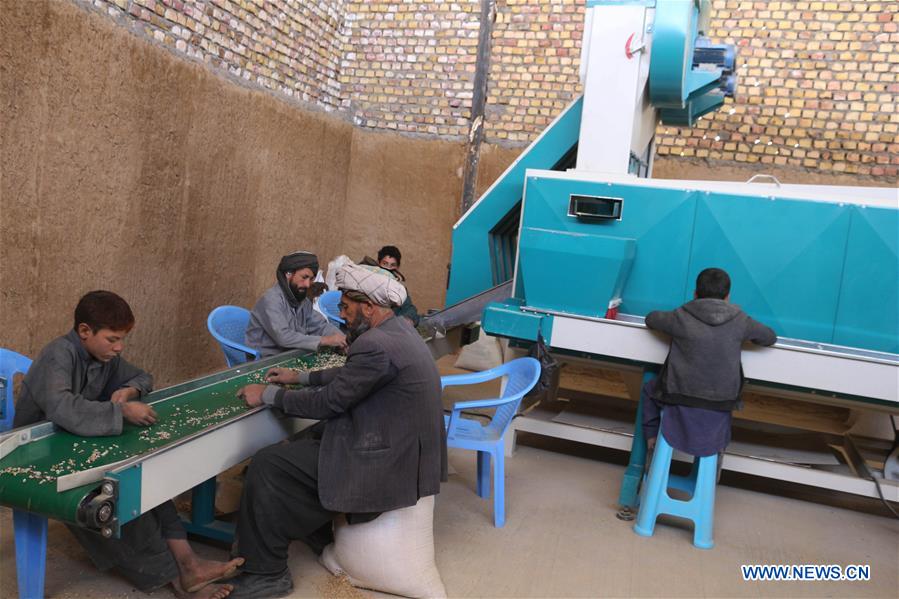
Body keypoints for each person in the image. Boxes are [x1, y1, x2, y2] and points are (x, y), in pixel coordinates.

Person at [229, 264, 447, 598]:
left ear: (369, 308)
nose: (341, 315)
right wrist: (299, 378)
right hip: (402, 453)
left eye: (345, 307)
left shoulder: (375, 344)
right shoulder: (397, 333)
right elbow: (352, 376)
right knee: (312, 442)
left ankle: (266, 572)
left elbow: (329, 403)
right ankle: (314, 532)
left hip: (387, 465)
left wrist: (269, 395)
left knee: (269, 464)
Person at [14, 290, 241, 598]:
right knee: (118, 498)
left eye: (122, 340)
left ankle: (189, 561)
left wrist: (130, 391)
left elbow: (142, 376)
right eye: (112, 339)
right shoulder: (59, 354)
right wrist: (120, 411)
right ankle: (174, 576)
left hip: (76, 440)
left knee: (148, 477)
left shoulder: (104, 356)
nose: (119, 347)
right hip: (39, 454)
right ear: (84, 331)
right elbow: (62, 408)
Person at [641, 268, 777, 462]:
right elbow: (769, 337)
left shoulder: (680, 316)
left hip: (678, 396)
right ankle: (718, 449)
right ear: (727, 296)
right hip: (722, 401)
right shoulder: (741, 321)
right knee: (723, 407)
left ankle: (652, 441)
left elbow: (651, 319)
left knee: (649, 389)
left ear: (695, 294)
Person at [245, 251, 347, 357]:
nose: (307, 284)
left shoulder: (302, 301)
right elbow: (283, 337)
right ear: (288, 274)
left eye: (311, 279)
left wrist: (341, 339)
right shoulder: (271, 301)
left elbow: (320, 326)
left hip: (290, 355)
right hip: (265, 360)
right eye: (304, 277)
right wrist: (325, 340)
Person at [359, 245, 420, 326]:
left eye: (392, 265)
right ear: (378, 263)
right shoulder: (368, 281)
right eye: (385, 263)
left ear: (397, 267)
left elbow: (409, 308)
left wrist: (408, 319)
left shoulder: (399, 289)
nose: (388, 268)